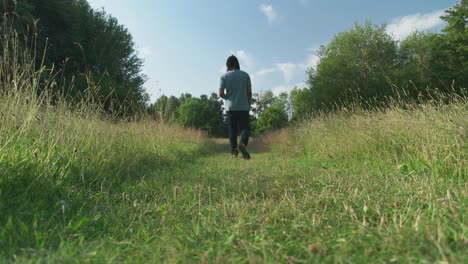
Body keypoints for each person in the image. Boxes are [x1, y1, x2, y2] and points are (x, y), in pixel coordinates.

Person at [219, 55, 252, 160]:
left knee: (232, 131)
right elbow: (249, 92)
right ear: (237, 64)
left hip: (230, 108)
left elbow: (220, 93)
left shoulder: (224, 76)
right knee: (244, 128)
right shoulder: (245, 75)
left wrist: (227, 97)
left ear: (228, 65)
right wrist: (249, 103)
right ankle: (242, 143)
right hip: (243, 107)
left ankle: (234, 152)